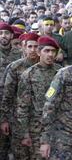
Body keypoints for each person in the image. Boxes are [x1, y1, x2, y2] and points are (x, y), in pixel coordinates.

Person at [16, 36, 62, 159]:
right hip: (37, 129)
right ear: (39, 52)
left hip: (58, 127)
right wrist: (25, 133)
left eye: (53, 51)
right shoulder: (29, 75)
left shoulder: (61, 73)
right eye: (46, 51)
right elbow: (23, 106)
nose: (50, 54)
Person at [0, 33, 40, 159]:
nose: (33, 50)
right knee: (20, 154)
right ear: (24, 47)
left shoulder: (48, 67)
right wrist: (4, 119)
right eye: (30, 46)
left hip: (39, 120)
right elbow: (7, 95)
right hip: (17, 119)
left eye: (36, 47)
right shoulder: (15, 67)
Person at [0, 22, 22, 159]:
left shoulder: (19, 54)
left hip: (14, 100)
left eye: (6, 33)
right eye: (1, 33)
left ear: (12, 35)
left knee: (15, 139)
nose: (3, 36)